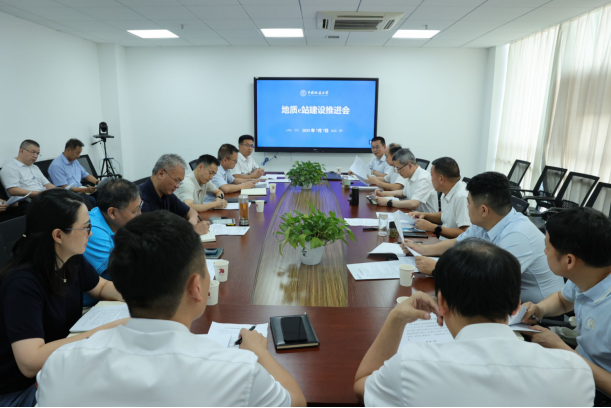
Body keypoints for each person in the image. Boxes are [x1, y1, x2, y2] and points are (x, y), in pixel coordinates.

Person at [36, 211, 307, 407]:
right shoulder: (237, 372)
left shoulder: (59, 365)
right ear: (196, 287)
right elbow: (296, 402)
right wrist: (259, 351)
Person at [354, 238, 594, 407]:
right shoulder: (576, 374)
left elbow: (362, 384)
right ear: (516, 305)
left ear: (441, 303)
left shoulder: (411, 366)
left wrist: (396, 318)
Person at [0, 189, 127, 407]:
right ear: (58, 235)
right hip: (20, 389)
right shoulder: (22, 283)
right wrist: (107, 330)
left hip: (57, 367)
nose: (91, 234)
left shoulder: (69, 258)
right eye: (86, 228)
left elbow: (101, 287)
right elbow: (30, 362)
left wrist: (143, 298)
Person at [403, 172, 564, 304]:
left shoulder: (518, 236)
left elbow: (490, 283)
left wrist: (438, 269)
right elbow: (458, 243)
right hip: (504, 299)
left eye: (469, 203)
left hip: (536, 313)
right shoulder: (485, 221)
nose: (467, 207)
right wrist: (423, 249)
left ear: (484, 210)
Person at [520, 207, 611, 396]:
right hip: (578, 366)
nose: (544, 252)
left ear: (569, 261)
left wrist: (562, 349)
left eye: (547, 247)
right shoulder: (586, 274)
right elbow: (563, 300)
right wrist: (539, 309)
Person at [82, 178, 142, 307]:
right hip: (90, 307)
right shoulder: (92, 231)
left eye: (140, 208)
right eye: (135, 211)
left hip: (113, 294)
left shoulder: (117, 223)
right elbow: (119, 275)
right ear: (113, 212)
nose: (140, 214)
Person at [139, 154, 209, 235]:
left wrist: (193, 224)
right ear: (161, 174)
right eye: (176, 180)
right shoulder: (140, 199)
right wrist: (192, 231)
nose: (177, 186)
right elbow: (152, 235)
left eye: (180, 182)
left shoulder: (166, 193)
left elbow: (192, 212)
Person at [408, 157, 470, 239]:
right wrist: (424, 214)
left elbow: (465, 233)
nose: (431, 179)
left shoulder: (462, 196)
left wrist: (433, 227)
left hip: (453, 245)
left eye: (431, 176)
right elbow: (445, 215)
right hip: (442, 240)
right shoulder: (447, 190)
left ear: (441, 179)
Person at [374, 148, 437, 213]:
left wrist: (388, 202)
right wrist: (383, 193)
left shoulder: (424, 178)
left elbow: (414, 204)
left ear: (409, 166)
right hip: (413, 214)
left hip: (425, 218)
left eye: (398, 168)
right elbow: (403, 193)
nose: (398, 172)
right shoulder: (410, 175)